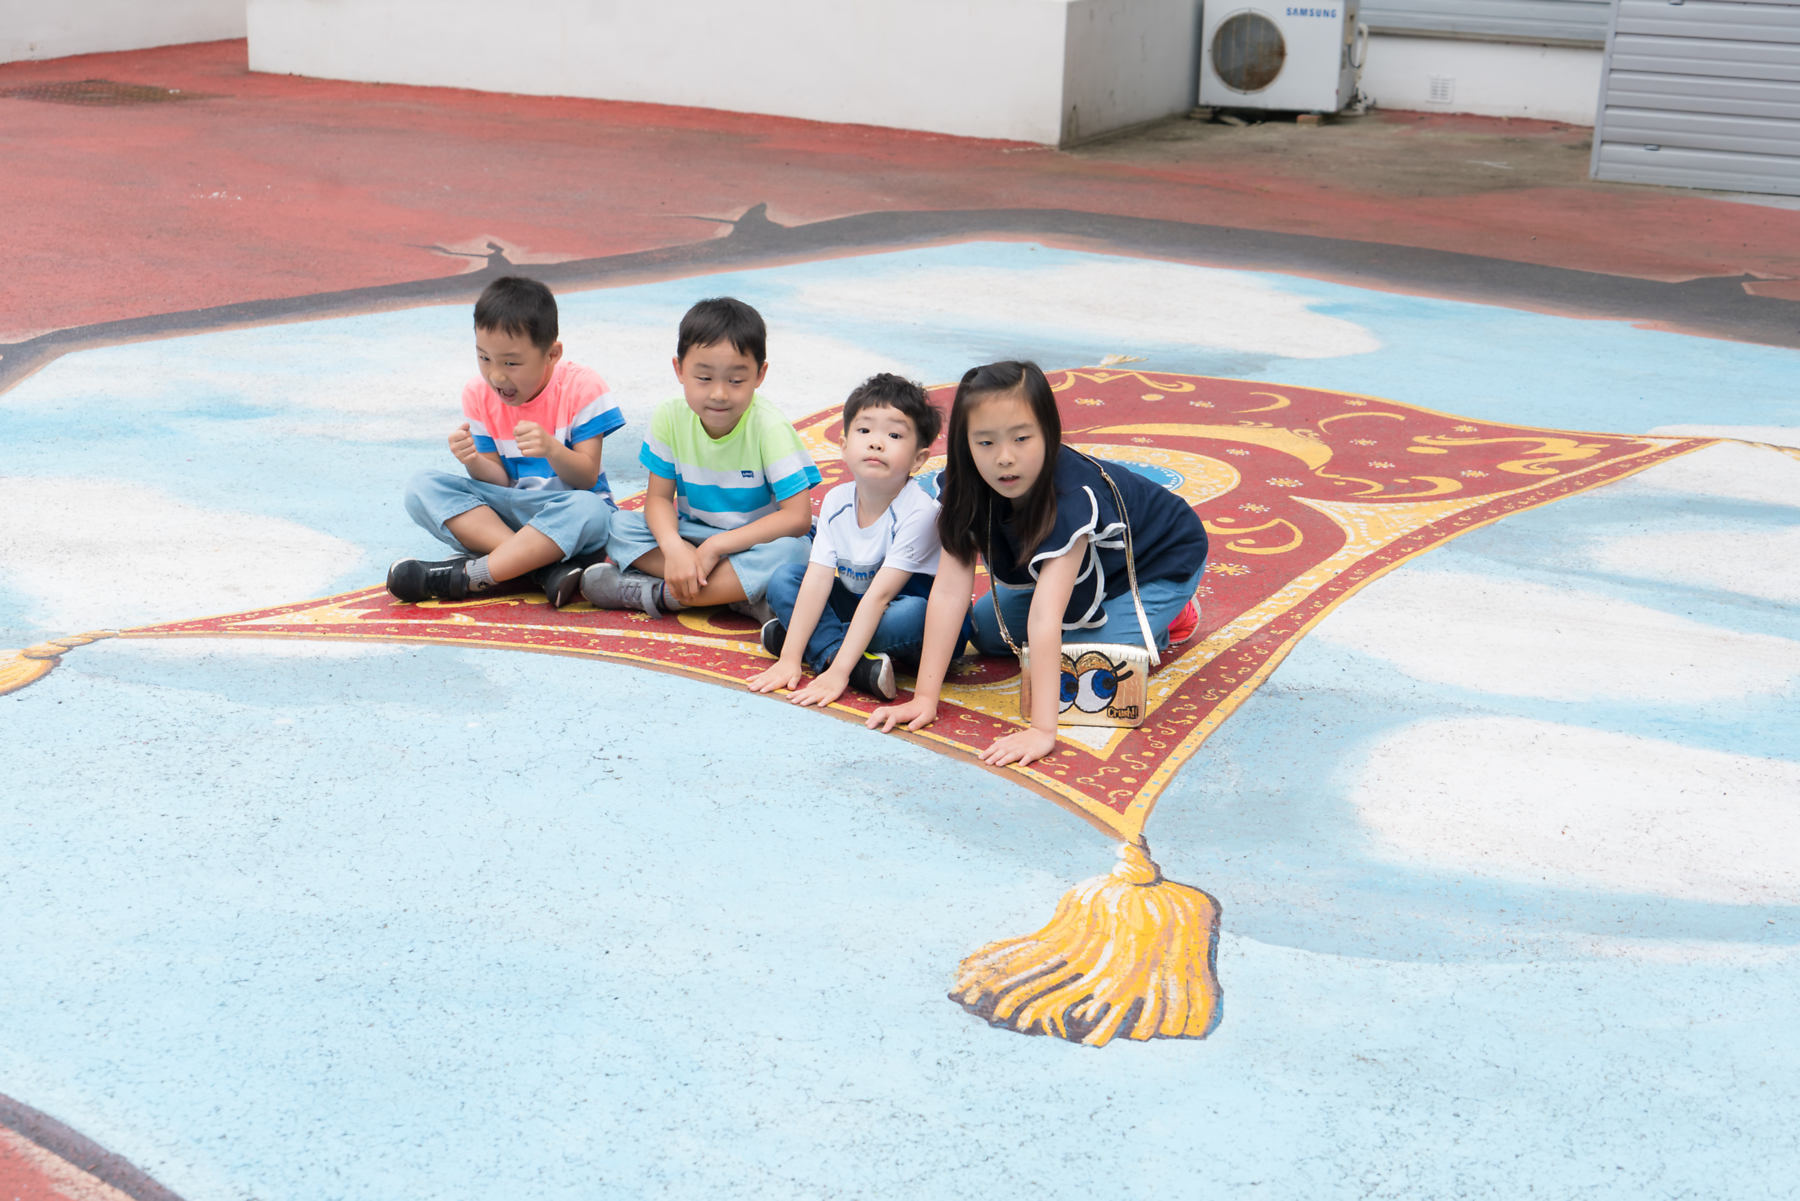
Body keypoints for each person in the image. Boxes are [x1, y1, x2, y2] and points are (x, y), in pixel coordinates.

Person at [866, 360, 1207, 767]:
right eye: (985, 442)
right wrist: (925, 698)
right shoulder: (965, 485)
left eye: (1022, 438)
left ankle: (1172, 613)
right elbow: (951, 590)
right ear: (964, 443)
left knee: (1089, 663)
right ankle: (1122, 612)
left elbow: (1046, 617)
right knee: (989, 634)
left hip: (1156, 562)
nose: (1004, 458)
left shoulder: (1071, 496)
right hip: (1081, 570)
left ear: (1048, 431)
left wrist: (1043, 730)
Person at [389, 276, 624, 607]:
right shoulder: (478, 393)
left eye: (511, 363)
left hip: (569, 515)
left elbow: (586, 478)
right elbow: (498, 480)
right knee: (421, 487)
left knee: (593, 511)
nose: (496, 376)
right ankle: (539, 569)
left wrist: (552, 449)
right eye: (484, 358)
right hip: (513, 511)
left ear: (552, 354)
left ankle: (468, 576)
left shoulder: (582, 386)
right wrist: (472, 460)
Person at [583, 297, 819, 620]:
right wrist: (674, 548)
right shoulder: (669, 416)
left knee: (794, 552)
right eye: (704, 378)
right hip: (693, 536)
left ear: (760, 374)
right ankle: (738, 594)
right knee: (618, 526)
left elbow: (798, 518)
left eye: (736, 381)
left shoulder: (769, 427)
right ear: (679, 369)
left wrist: (716, 548)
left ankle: (660, 595)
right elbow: (658, 500)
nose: (719, 393)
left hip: (756, 542)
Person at [746, 373, 956, 705]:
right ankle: (843, 658)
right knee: (785, 578)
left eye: (894, 435)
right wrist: (789, 658)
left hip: (912, 622)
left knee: (913, 612)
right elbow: (817, 580)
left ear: (919, 459)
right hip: (860, 605)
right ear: (843, 447)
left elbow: (881, 597)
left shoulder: (920, 511)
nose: (876, 443)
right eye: (864, 430)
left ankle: (823, 646)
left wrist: (838, 674)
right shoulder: (836, 501)